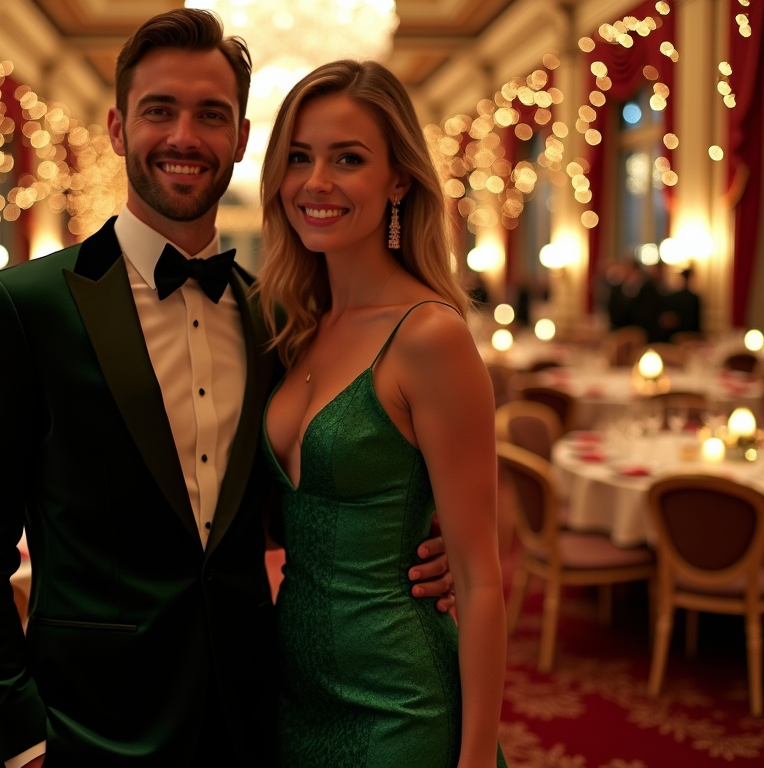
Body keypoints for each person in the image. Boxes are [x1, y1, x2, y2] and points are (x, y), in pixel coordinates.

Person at [0, 10, 453, 768]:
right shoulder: (23, 307)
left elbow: (293, 501)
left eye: (211, 115)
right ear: (117, 127)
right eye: (159, 111)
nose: (185, 136)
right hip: (89, 727)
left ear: (241, 139)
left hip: (255, 709)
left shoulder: (273, 315)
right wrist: (21, 739)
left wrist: (423, 543)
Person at [258, 60, 508, 767]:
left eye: (349, 159)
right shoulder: (294, 325)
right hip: (293, 692)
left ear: (399, 179)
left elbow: (482, 578)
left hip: (399, 703)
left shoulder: (430, 335)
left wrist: (475, 758)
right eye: (299, 158)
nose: (317, 182)